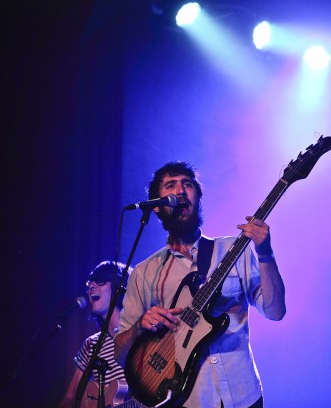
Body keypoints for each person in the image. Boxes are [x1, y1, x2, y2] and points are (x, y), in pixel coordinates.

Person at [114, 161, 286, 408]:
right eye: (170, 185)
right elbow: (120, 354)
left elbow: (276, 312)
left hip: (243, 395)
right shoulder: (144, 273)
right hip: (187, 401)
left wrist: (266, 253)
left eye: (188, 184)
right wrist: (140, 327)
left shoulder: (233, 250)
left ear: (198, 197)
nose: (181, 191)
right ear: (157, 208)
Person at [59, 261, 133, 408]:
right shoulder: (91, 344)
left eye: (100, 281)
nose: (91, 286)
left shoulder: (139, 334)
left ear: (119, 287)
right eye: (89, 283)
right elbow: (69, 398)